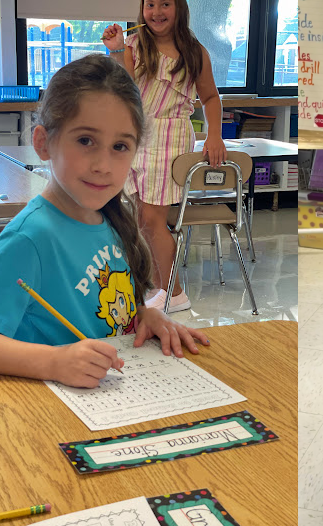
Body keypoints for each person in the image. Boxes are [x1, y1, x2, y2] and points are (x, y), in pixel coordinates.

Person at [0, 54, 209, 388]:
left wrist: (146, 315)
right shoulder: (31, 237)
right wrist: (54, 361)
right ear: (44, 143)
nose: (103, 164)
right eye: (86, 140)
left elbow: (107, 310)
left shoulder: (113, 217)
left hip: (111, 396)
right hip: (51, 409)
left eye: (120, 146)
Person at [101, 0, 227, 313]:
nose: (157, 12)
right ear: (142, 10)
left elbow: (210, 96)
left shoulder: (195, 52)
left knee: (152, 219)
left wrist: (214, 134)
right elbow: (121, 88)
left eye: (165, 4)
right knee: (143, 218)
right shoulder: (133, 45)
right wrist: (116, 49)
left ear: (179, 8)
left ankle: (174, 292)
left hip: (170, 137)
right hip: (137, 135)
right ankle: (164, 289)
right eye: (150, 5)